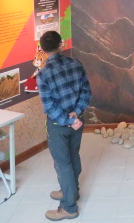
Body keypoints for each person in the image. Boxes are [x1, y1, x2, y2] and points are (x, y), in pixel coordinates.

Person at [36, 31, 92, 221]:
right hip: (78, 120)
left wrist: (68, 120)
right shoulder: (76, 64)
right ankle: (71, 192)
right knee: (73, 155)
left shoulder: (43, 74)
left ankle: (69, 207)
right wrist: (76, 113)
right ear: (61, 45)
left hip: (58, 125)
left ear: (42, 49)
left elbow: (49, 106)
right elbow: (86, 92)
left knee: (63, 163)